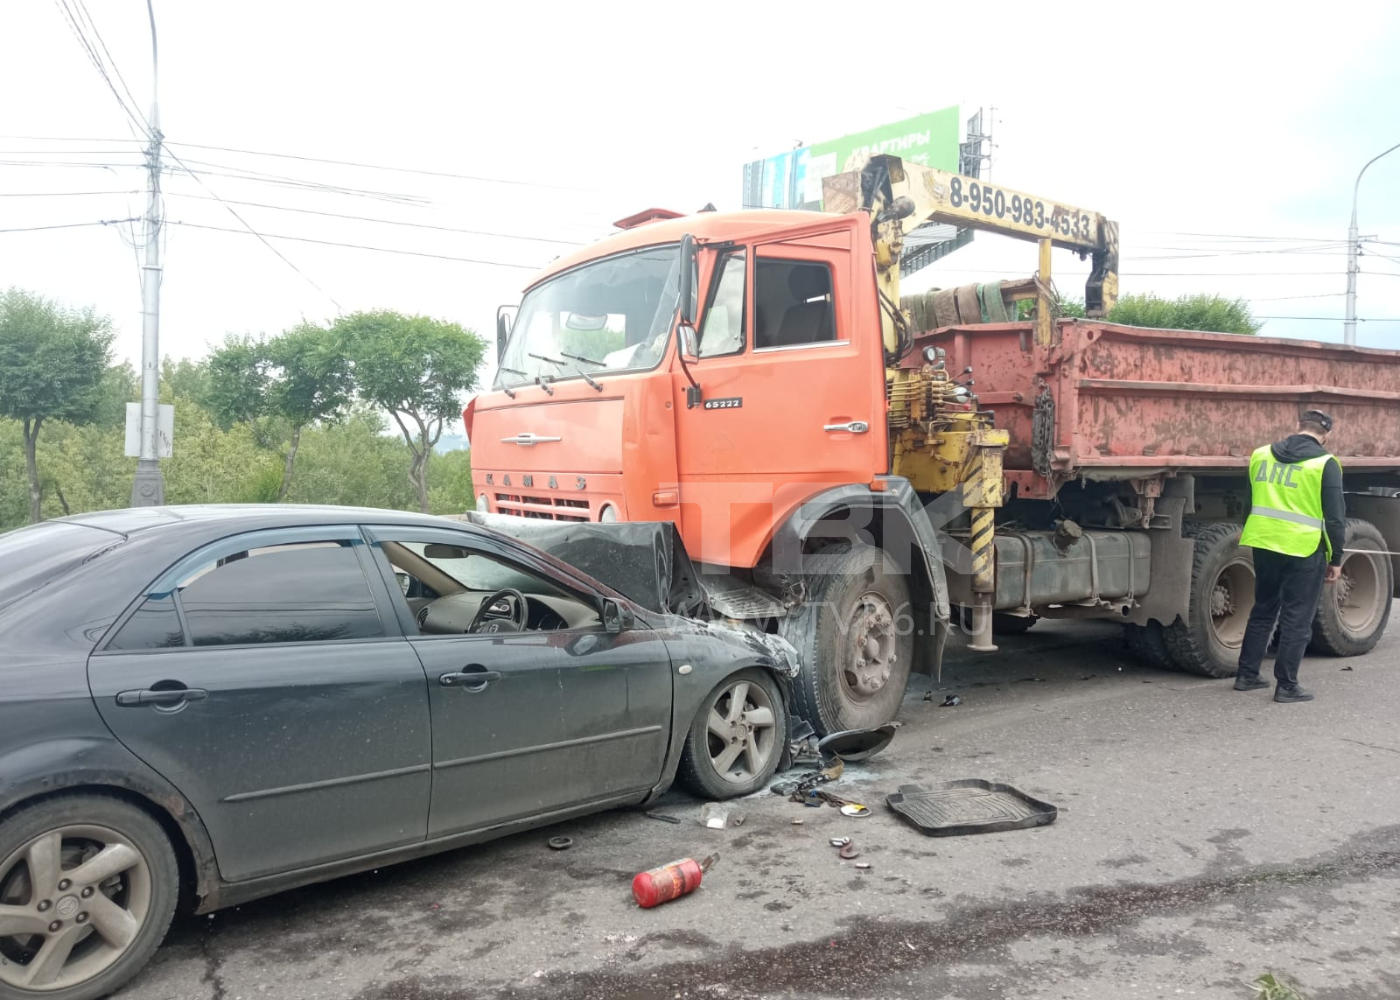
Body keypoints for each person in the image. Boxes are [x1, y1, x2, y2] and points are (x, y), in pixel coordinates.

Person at [1234, 410, 1345, 702]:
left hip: (1265, 542)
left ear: (1297, 427)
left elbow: (1251, 498)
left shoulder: (1261, 454)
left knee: (1264, 607)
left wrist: (1246, 527)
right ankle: (1287, 686)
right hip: (1303, 547)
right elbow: (1335, 519)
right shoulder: (1325, 463)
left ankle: (1246, 675)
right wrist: (1336, 559)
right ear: (1326, 435)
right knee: (1297, 616)